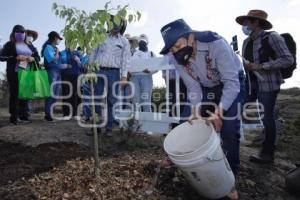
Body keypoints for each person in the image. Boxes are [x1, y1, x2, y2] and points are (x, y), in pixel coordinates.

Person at [159, 19, 245, 199]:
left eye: (178, 45)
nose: (176, 51)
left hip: (232, 83)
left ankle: (229, 182)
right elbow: (193, 88)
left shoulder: (216, 45)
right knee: (189, 122)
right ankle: (197, 167)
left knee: (229, 129)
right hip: (206, 87)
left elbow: (231, 84)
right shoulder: (178, 60)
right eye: (172, 49)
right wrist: (197, 110)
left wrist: (218, 112)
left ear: (191, 37)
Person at [236, 10, 294, 164]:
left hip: (268, 84)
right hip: (250, 84)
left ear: (256, 22)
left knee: (266, 118)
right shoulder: (246, 42)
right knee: (236, 108)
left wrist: (261, 66)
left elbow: (288, 59)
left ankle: (267, 154)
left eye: (246, 21)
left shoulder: (272, 37)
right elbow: (247, 65)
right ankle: (230, 142)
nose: (244, 25)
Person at [88, 16, 130, 136]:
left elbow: (126, 60)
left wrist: (124, 76)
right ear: (109, 24)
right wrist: (90, 69)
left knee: (112, 100)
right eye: (113, 23)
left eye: (118, 24)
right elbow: (93, 53)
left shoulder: (124, 41)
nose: (115, 26)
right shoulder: (101, 38)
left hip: (114, 73)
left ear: (121, 26)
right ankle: (95, 127)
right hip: (99, 71)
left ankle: (109, 128)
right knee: (96, 98)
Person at [0, 25, 38, 124]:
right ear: (13, 34)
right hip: (14, 73)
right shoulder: (9, 44)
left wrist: (32, 58)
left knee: (25, 95)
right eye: (18, 32)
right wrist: (15, 57)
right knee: (15, 95)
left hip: (27, 73)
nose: (21, 34)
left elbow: (37, 57)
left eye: (22, 32)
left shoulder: (29, 45)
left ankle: (24, 116)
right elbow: (2, 57)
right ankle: (14, 118)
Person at [41, 31, 70, 122]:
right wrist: (57, 52)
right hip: (51, 72)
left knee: (56, 94)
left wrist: (65, 66)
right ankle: (47, 115)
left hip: (58, 73)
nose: (59, 41)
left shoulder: (55, 48)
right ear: (54, 38)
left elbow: (59, 63)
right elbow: (53, 61)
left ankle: (51, 113)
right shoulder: (48, 48)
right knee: (51, 93)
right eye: (58, 39)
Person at [130, 34, 156, 112]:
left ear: (147, 42)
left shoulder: (151, 53)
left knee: (146, 100)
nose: (142, 43)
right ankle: (136, 121)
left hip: (147, 77)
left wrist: (150, 70)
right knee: (136, 100)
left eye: (144, 41)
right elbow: (130, 65)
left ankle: (148, 122)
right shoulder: (134, 53)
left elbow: (157, 66)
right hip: (134, 77)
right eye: (140, 41)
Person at [61, 46, 83, 120]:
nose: (70, 45)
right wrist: (65, 66)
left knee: (75, 94)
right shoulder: (62, 53)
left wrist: (78, 60)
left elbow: (82, 65)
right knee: (66, 94)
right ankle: (66, 114)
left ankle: (75, 114)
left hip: (75, 75)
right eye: (68, 43)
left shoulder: (77, 53)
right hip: (65, 75)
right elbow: (58, 64)